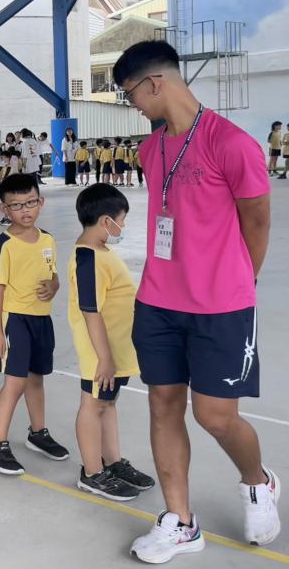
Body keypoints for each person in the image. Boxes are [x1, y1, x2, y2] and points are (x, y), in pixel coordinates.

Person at [113, 40, 278, 562]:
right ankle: (180, 523)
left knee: (216, 416)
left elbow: (257, 221)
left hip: (221, 306)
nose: (132, 104)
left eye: (130, 93)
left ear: (155, 83)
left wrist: (236, 282)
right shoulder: (149, 148)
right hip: (158, 302)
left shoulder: (232, 144)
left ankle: (257, 481)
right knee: (163, 405)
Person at [68, 184, 154, 501]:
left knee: (108, 403)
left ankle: (113, 461)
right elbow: (90, 312)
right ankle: (92, 473)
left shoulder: (102, 250)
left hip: (115, 348)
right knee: (93, 405)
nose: (124, 225)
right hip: (100, 351)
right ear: (106, 221)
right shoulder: (88, 257)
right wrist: (103, 358)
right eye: (122, 219)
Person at [0, 173, 68, 475]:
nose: (25, 210)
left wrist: (55, 285)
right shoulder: (5, 244)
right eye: (17, 205)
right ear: (4, 210)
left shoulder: (47, 239)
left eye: (31, 202)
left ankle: (38, 433)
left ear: (41, 202)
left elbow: (53, 273)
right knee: (15, 382)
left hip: (41, 319)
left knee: (36, 378)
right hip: (14, 320)